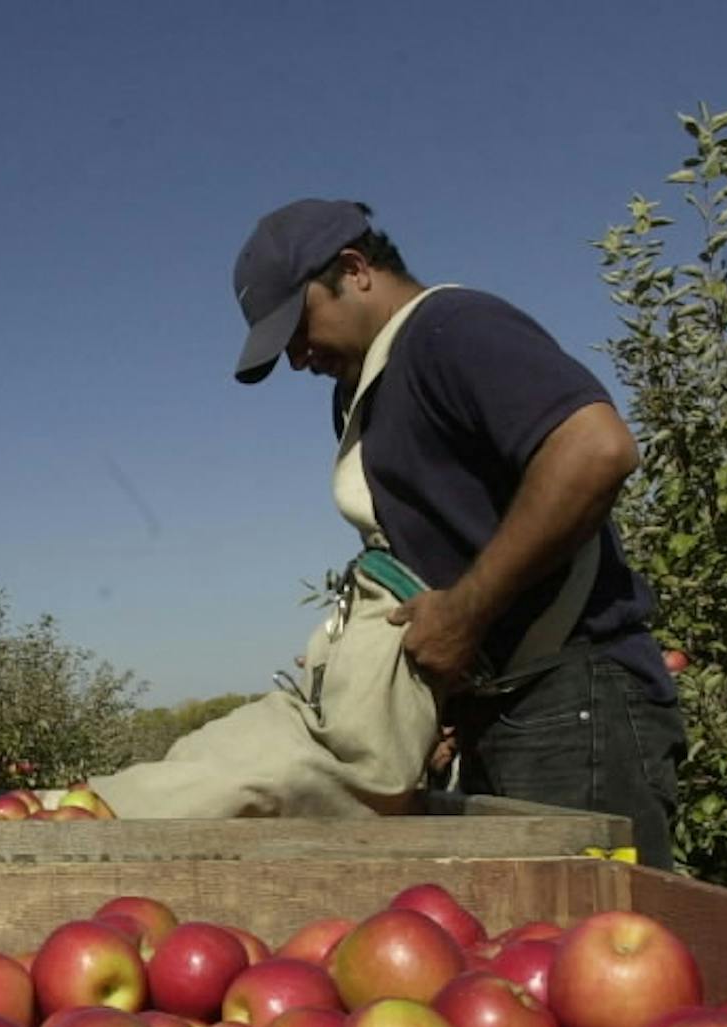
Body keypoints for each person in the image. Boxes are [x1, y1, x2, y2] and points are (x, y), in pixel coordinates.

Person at [94, 199, 683, 868]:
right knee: (521, 960)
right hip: (503, 711)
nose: (296, 357)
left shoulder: (451, 331)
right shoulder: (367, 390)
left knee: (595, 950)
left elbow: (595, 449)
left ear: (354, 269)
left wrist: (466, 613)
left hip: (576, 704)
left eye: (297, 326)